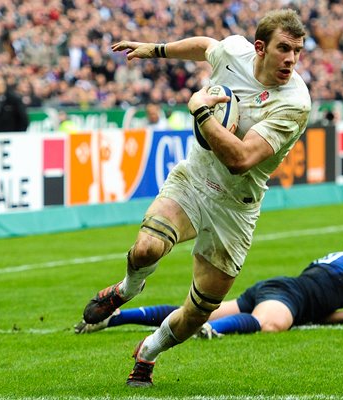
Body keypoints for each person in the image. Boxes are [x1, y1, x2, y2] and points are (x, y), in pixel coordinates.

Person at [77, 9, 311, 387]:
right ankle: (127, 289)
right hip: (194, 179)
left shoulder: (294, 103)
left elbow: (240, 160)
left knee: (197, 312)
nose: (291, 59)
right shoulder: (234, 52)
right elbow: (206, 47)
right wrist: (155, 50)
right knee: (145, 250)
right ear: (259, 47)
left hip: (235, 208)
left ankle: (147, 352)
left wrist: (202, 111)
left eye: (298, 51)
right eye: (284, 48)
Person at [75, 237, 343, 337]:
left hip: (279, 290)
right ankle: (212, 330)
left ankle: (117, 319)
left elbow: (318, 316)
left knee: (195, 310)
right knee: (271, 324)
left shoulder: (330, 262)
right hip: (287, 297)